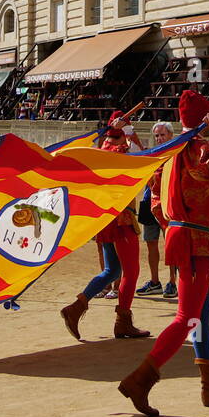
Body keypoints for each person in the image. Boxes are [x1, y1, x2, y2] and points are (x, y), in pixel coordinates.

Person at [118, 91, 209, 417]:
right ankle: (141, 379)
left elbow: (157, 199)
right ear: (206, 118)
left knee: (202, 310)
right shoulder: (201, 149)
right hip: (195, 240)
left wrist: (172, 228)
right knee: (187, 316)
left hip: (179, 235)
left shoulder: (173, 153)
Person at [60, 111, 150, 342]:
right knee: (130, 271)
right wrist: (130, 134)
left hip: (106, 217)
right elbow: (143, 156)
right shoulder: (125, 148)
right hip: (122, 218)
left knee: (112, 270)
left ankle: (76, 308)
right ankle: (123, 321)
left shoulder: (103, 147)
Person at [137, 121, 174, 296]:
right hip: (149, 202)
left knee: (171, 244)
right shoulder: (152, 155)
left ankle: (173, 281)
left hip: (167, 204)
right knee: (151, 243)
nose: (159, 138)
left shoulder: (175, 154)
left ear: (170, 136)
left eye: (162, 135)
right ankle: (154, 281)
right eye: (157, 136)